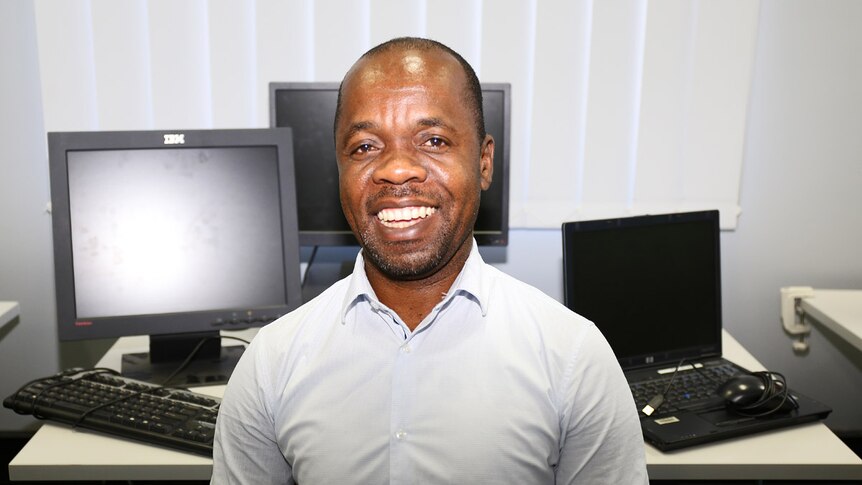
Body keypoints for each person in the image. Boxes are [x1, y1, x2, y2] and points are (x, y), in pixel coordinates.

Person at [211, 37, 648, 484]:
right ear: (339, 171)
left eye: (434, 140)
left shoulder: (574, 358)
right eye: (364, 147)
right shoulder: (272, 362)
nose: (397, 169)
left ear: (483, 161)